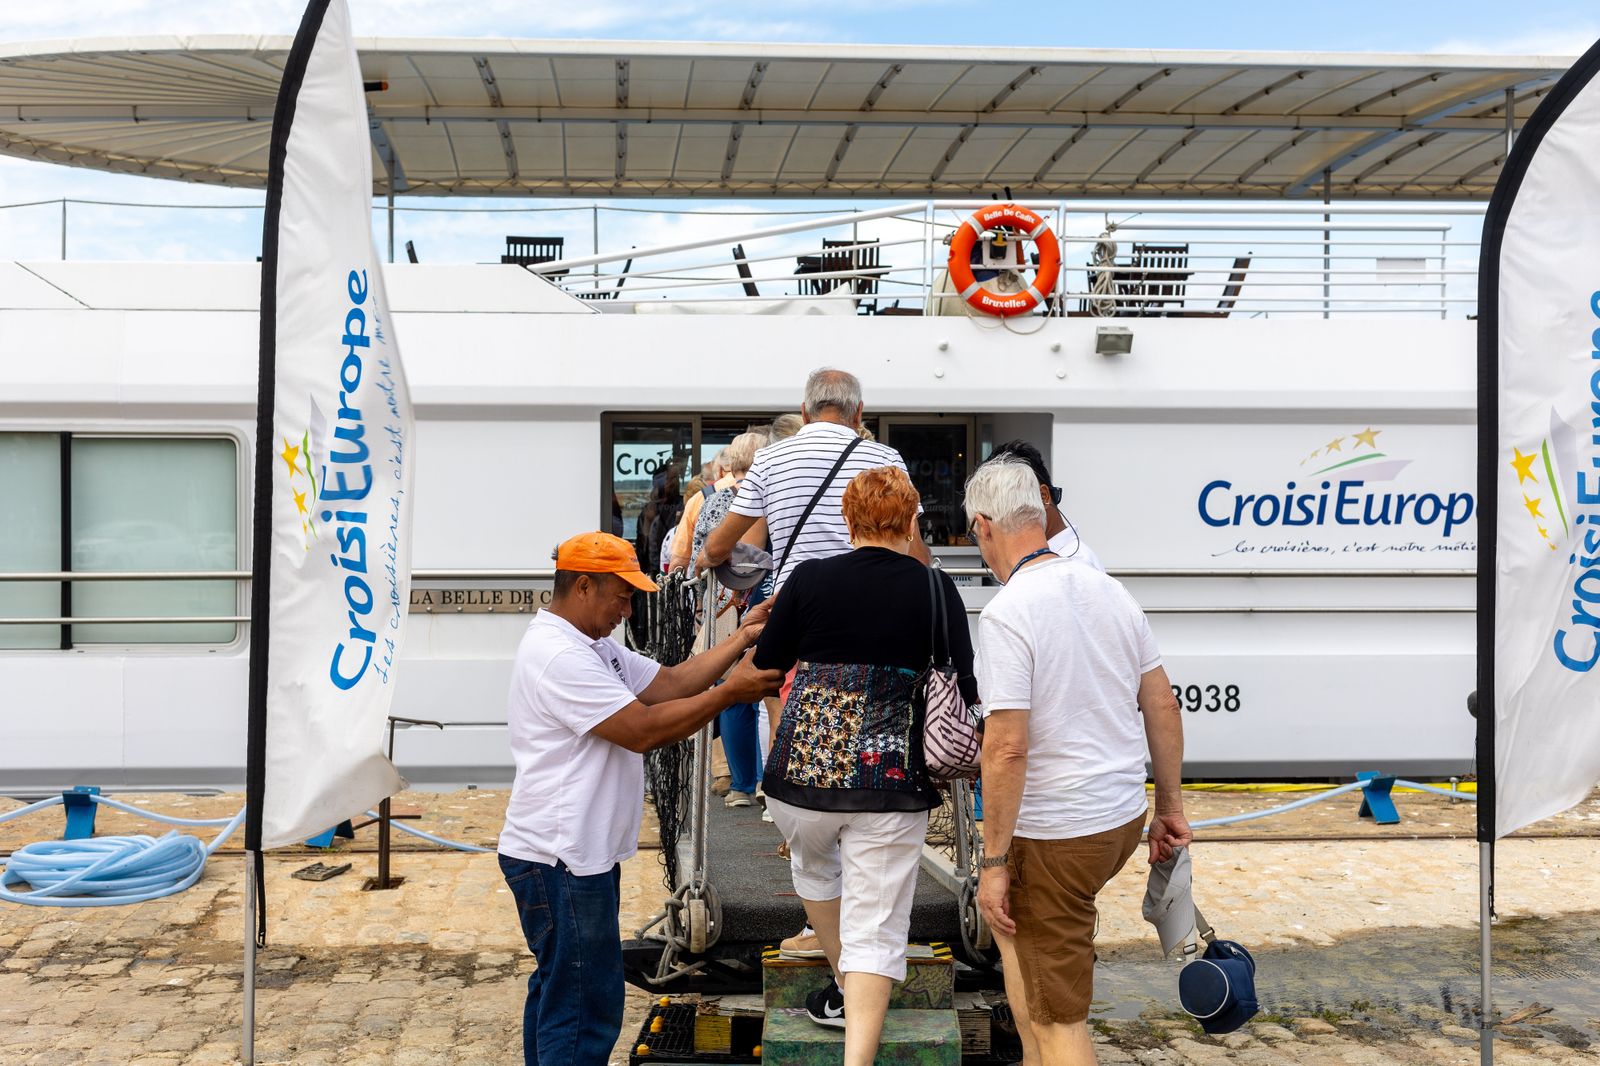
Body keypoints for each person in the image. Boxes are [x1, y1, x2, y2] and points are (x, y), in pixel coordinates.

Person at [497, 531, 783, 1066]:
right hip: (560, 857)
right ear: (583, 586)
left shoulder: (593, 644)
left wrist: (741, 637)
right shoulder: (560, 655)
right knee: (585, 1001)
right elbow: (643, 728)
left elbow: (669, 683)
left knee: (562, 989)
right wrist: (730, 693)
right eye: (621, 595)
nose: (628, 609)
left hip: (572, 854)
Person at [964, 459, 1189, 1066]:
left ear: (985, 527)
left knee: (1061, 1016)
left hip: (1055, 831)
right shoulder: (1108, 589)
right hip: (1116, 818)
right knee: (1025, 958)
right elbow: (1162, 706)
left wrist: (992, 860)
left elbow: (1006, 746)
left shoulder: (1009, 612)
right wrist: (1169, 806)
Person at [700, 368, 929, 955]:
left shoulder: (774, 461)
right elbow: (917, 553)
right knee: (871, 771)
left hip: (802, 626)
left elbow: (718, 547)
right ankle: (864, 921)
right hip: (880, 636)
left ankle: (817, 923)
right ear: (859, 414)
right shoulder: (884, 455)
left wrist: (742, 574)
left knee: (803, 772)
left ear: (804, 412)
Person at [754, 466, 976, 1063]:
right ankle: (858, 1051)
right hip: (891, 784)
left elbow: (770, 663)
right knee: (877, 928)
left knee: (816, 872)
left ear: (848, 522)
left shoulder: (810, 578)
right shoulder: (935, 588)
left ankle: (843, 986)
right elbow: (967, 682)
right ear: (910, 522)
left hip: (800, 778)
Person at [688, 430, 770, 807]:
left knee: (736, 693)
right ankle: (771, 784)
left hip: (723, 606)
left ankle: (740, 784)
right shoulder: (769, 498)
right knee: (775, 692)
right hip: (767, 600)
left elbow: (696, 557)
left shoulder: (713, 500)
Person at [987, 439, 1103, 572]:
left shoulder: (1076, 563)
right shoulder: (1038, 557)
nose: (1005, 517)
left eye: (1013, 501)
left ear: (1043, 496)